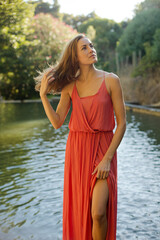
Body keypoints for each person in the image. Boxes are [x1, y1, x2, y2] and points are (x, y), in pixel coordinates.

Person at [34, 33, 126, 240]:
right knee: (82, 211)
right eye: (83, 48)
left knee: (98, 212)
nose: (90, 49)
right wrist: (43, 96)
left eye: (91, 45)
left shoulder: (111, 80)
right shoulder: (70, 86)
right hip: (78, 152)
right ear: (75, 57)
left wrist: (107, 160)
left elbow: (121, 125)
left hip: (104, 151)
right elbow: (57, 122)